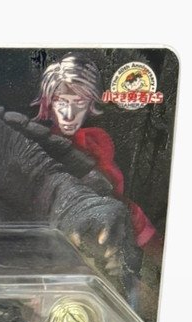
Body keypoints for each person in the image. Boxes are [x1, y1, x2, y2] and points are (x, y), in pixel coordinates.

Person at [34, 55, 156, 247]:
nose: (68, 114)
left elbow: (114, 198)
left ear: (90, 104)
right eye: (61, 102)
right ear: (49, 103)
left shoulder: (95, 144)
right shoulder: (36, 145)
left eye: (79, 102)